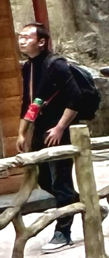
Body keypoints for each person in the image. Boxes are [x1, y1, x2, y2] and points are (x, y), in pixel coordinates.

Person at [18, 23, 94, 246]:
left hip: (64, 129)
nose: (21, 40)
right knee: (42, 179)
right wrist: (22, 132)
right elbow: (31, 102)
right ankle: (90, 206)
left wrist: (60, 127)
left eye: (26, 37)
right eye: (20, 37)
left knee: (61, 181)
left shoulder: (57, 65)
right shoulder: (28, 68)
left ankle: (63, 233)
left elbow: (75, 98)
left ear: (41, 42)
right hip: (42, 128)